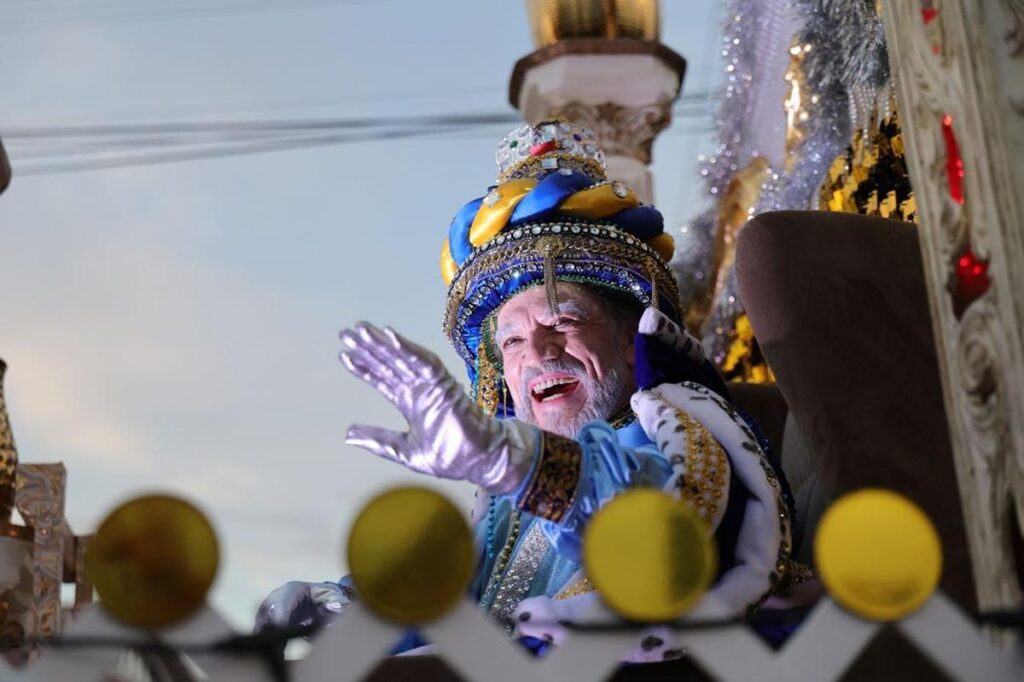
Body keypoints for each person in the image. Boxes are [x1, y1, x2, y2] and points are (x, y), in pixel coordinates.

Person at [256, 120, 798, 659]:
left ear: (629, 339)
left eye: (562, 322)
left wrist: (514, 464)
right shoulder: (500, 505)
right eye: (511, 341)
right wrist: (336, 607)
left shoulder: (679, 424)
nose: (538, 355)